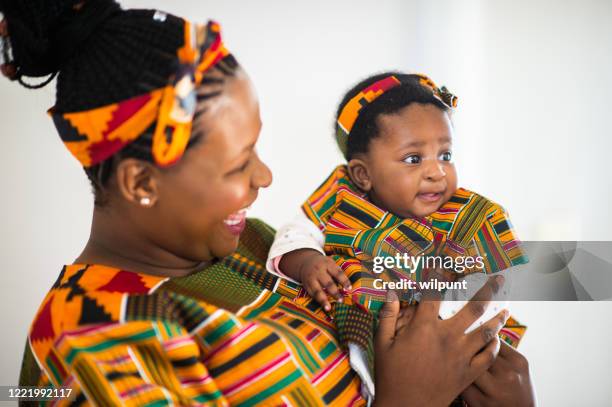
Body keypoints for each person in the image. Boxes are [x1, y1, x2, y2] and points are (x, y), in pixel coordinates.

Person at [1, 0, 535, 405]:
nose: (265, 176)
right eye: (237, 164)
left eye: (256, 147)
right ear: (141, 182)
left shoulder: (254, 243)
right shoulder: (86, 340)